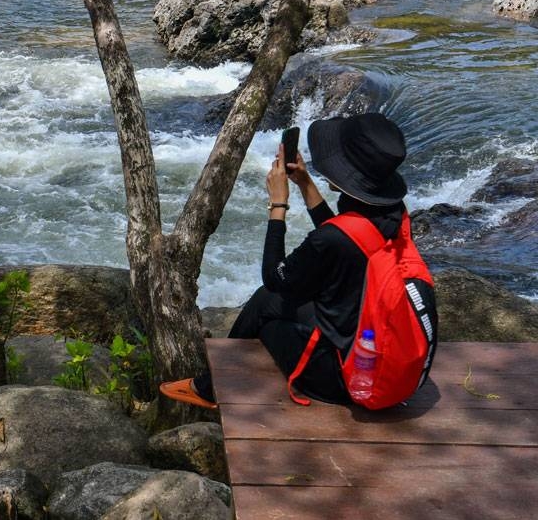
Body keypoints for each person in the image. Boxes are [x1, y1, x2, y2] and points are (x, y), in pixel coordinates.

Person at [161, 113, 417, 408]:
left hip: (348, 382)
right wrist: (306, 185)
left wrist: (278, 203)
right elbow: (353, 240)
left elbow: (274, 277)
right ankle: (209, 385)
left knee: (267, 310)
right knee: (270, 300)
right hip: (386, 358)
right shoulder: (393, 214)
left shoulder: (330, 240)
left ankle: (212, 389)